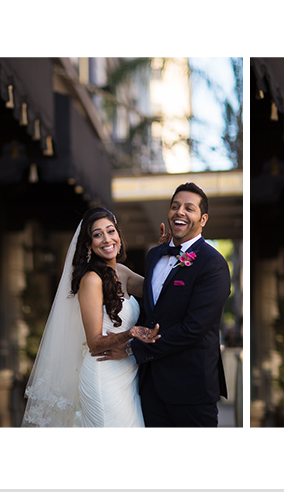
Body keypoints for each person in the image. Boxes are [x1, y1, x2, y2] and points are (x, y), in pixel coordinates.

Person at [98, 182, 231, 427]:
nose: (179, 212)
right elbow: (151, 313)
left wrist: (131, 350)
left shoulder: (214, 264)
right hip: (149, 387)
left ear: (203, 219)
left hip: (191, 389)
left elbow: (193, 329)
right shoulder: (155, 255)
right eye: (175, 206)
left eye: (189, 208)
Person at [22, 207, 160, 427]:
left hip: (127, 374)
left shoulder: (122, 272)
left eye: (110, 231)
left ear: (119, 237)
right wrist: (131, 333)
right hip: (103, 374)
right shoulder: (91, 280)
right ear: (88, 245)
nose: (107, 239)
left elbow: (158, 289)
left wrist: (165, 252)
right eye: (97, 235)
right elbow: (95, 343)